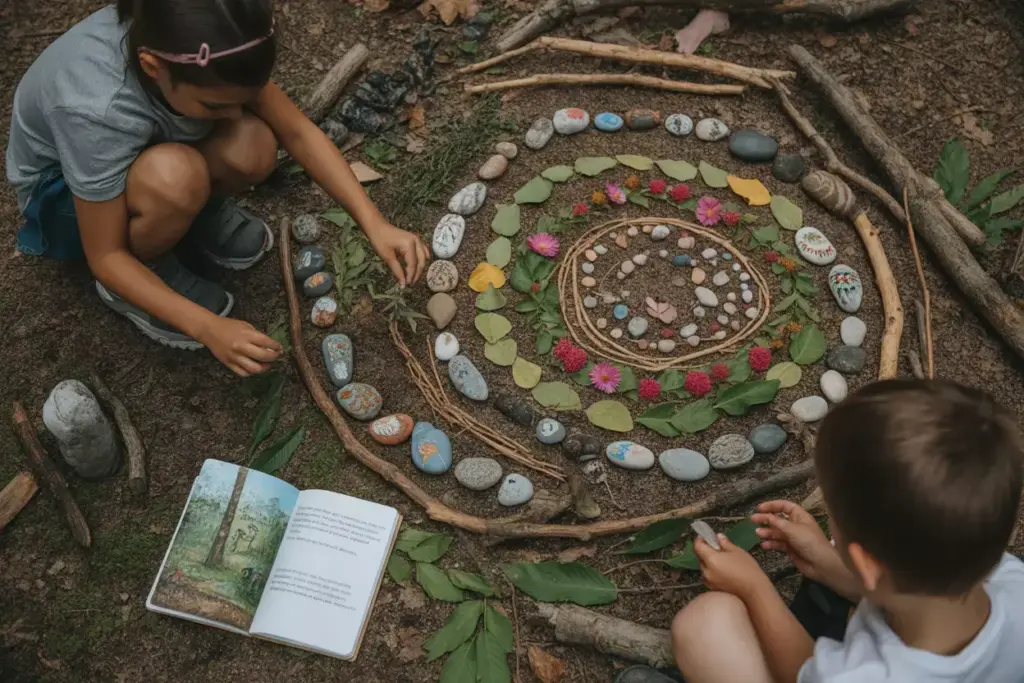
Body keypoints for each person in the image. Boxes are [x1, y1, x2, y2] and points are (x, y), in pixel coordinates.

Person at [5, 0, 429, 377]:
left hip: (144, 159)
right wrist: (207, 327)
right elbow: (106, 255)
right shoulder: (94, 107)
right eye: (213, 106)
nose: (229, 115)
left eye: (238, 99)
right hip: (66, 201)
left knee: (254, 144)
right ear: (153, 67)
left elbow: (296, 132)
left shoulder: (215, 43)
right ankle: (142, 275)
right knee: (177, 177)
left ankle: (188, 215)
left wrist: (374, 223)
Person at [617, 379, 1024, 683]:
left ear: (868, 564)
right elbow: (916, 589)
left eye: (836, 521)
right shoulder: (1010, 581)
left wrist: (755, 589)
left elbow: (805, 673)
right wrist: (830, 562)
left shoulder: (863, 676)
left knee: (705, 625)